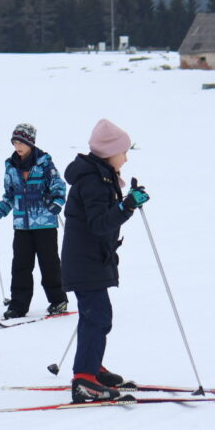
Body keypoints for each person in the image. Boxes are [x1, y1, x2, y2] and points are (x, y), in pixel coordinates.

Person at [60, 119, 149, 403]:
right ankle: (84, 379)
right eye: (123, 151)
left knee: (94, 316)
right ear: (110, 152)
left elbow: (104, 220)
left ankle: (91, 368)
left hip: (90, 260)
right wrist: (127, 205)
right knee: (97, 317)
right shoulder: (94, 181)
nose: (126, 157)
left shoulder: (102, 177)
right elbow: (100, 224)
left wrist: (126, 203)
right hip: (85, 262)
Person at [0, 123, 69, 319]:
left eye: (21, 142)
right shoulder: (11, 167)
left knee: (49, 264)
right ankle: (18, 306)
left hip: (45, 224)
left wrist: (55, 203)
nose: (18, 146)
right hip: (22, 225)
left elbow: (59, 187)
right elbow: (9, 196)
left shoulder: (44, 163)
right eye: (14, 142)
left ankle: (58, 300)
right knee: (20, 266)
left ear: (31, 142)